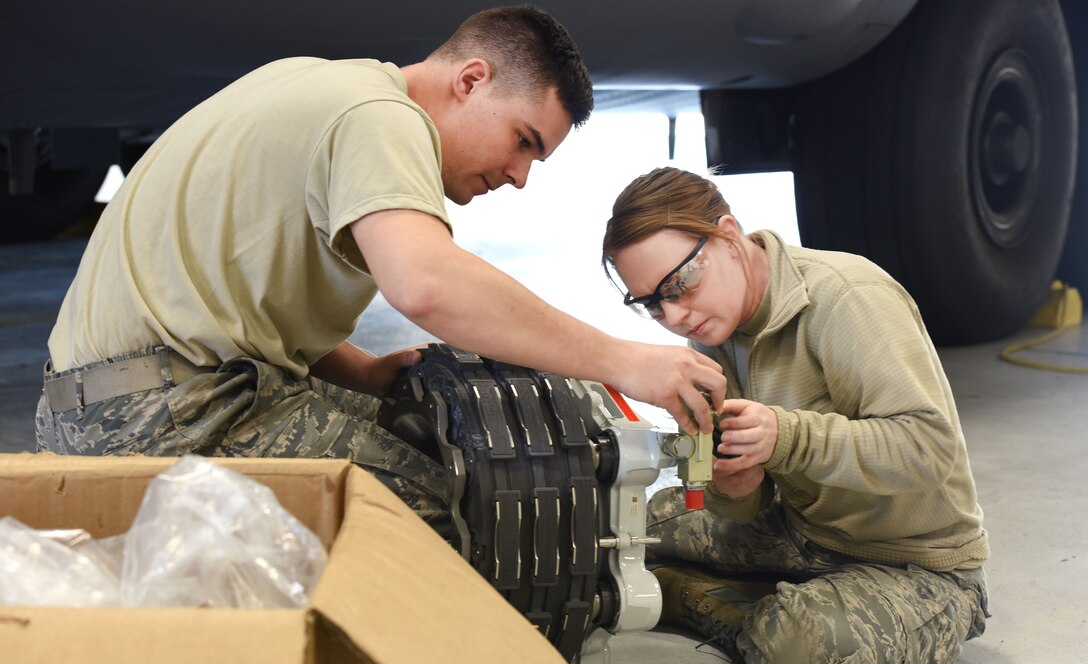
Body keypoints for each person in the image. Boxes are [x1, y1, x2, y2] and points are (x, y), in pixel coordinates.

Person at [36, 9, 727, 537]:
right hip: (158, 418)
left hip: (111, 399)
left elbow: (232, 294)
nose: (519, 176)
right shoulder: (382, 118)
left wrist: (362, 372)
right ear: (471, 79)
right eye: (523, 141)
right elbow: (425, 282)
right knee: (472, 510)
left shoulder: (326, 86)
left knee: (417, 426)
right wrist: (626, 359)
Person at [601, 167, 990, 664]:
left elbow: (929, 450)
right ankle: (752, 587)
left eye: (679, 285)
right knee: (619, 524)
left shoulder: (849, 298)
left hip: (916, 565)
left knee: (802, 649)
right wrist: (734, 485)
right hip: (799, 529)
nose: (674, 315)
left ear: (729, 235)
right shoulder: (712, 330)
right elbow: (733, 504)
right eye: (650, 304)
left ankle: (710, 604)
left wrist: (785, 437)